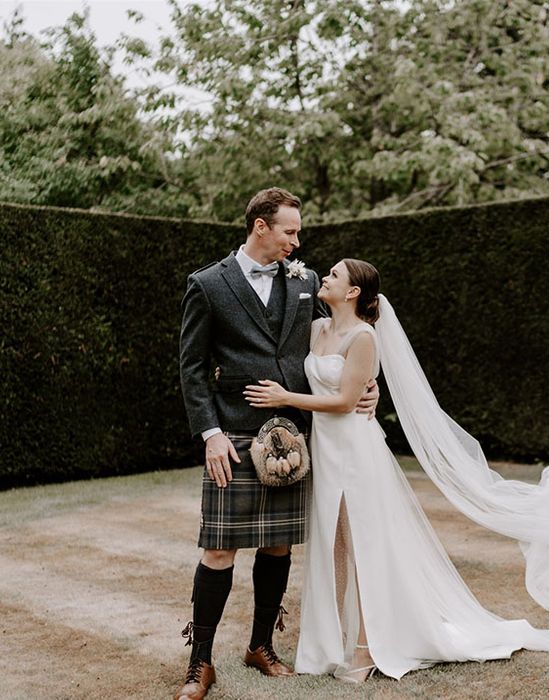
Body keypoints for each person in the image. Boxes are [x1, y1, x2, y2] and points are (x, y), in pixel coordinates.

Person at [245, 258, 549, 683]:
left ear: (352, 292)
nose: (322, 278)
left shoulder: (364, 337)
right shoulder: (319, 330)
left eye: (333, 275)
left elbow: (347, 401)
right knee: (335, 548)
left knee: (361, 547)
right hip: (324, 454)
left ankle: (366, 650)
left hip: (354, 455)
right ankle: (338, 641)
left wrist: (284, 398)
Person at [176, 189, 378, 700]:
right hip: (234, 435)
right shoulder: (208, 283)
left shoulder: (307, 280)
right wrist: (211, 433)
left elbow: (343, 337)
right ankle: (199, 662)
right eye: (289, 230)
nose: (297, 240)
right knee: (219, 549)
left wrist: (367, 386)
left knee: (278, 544)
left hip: (294, 434)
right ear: (260, 227)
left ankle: (261, 645)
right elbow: (192, 368)